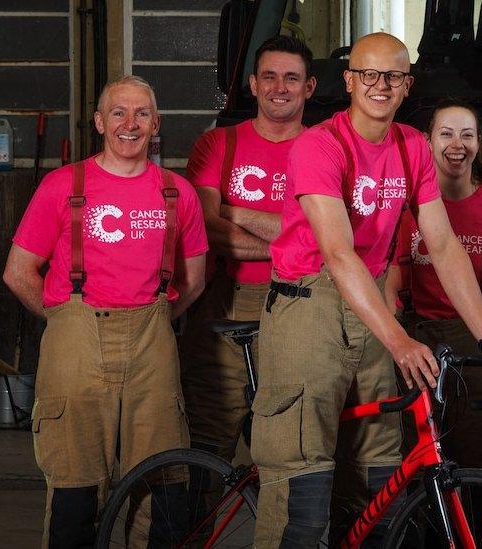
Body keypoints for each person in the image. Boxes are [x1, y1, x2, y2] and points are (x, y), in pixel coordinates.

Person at [251, 33, 482, 547]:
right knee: (303, 489)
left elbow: (442, 246)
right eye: (369, 74)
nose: (380, 85)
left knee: (380, 481)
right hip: (310, 304)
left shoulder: (412, 146)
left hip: (370, 299)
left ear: (406, 86)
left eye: (393, 76)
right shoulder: (318, 145)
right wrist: (398, 340)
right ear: (350, 80)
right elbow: (338, 254)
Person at [2, 75, 207, 547]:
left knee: (162, 481)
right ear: (99, 121)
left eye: (141, 114)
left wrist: (154, 322)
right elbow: (18, 273)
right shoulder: (61, 186)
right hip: (76, 346)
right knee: (75, 483)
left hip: (153, 347)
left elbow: (193, 280)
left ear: (157, 124)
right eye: (118, 112)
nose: (129, 124)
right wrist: (64, 319)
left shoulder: (179, 193)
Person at [179, 35, 315, 466]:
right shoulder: (218, 144)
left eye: (291, 78)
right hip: (226, 303)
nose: (280, 87)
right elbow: (205, 227)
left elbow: (326, 234)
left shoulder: (327, 148)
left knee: (289, 447)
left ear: (308, 88)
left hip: (303, 305)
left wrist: (234, 210)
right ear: (253, 84)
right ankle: (193, 534)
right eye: (270, 76)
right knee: (209, 439)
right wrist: (291, 240)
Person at [386, 99, 482, 475]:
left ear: (478, 143)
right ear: (427, 141)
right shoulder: (402, 210)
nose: (457, 144)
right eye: (446, 133)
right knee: (417, 459)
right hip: (417, 341)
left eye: (467, 135)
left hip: (479, 345)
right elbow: (389, 281)